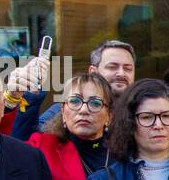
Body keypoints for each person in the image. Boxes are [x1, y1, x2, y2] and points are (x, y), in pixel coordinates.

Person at [8, 39, 137, 139]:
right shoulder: (69, 108)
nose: (121, 73)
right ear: (93, 71)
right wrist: (29, 95)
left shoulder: (142, 110)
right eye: (112, 67)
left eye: (128, 68)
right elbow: (27, 143)